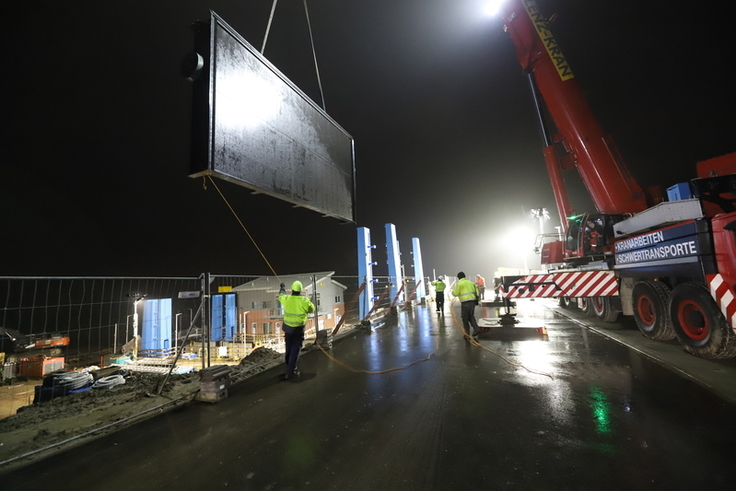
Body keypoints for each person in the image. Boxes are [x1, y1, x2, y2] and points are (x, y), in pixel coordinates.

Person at [278, 280, 315, 380]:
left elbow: (281, 296)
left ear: (292, 290)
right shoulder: (304, 300)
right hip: (298, 329)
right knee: (295, 349)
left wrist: (282, 288)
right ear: (300, 290)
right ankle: (291, 371)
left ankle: (288, 367)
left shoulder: (287, 298)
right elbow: (312, 309)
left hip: (288, 328)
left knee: (288, 348)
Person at [453, 271, 481, 340]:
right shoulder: (471, 283)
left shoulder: (459, 284)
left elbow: (455, 293)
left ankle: (467, 333)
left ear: (459, 278)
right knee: (471, 316)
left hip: (465, 303)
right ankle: (476, 329)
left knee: (465, 318)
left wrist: (452, 293)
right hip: (472, 302)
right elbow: (477, 292)